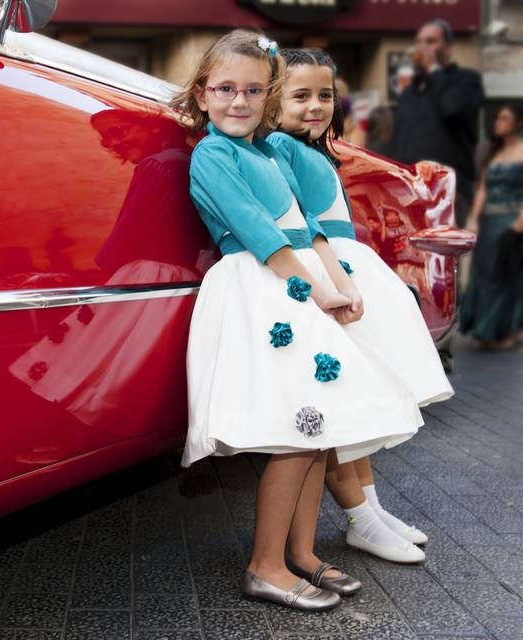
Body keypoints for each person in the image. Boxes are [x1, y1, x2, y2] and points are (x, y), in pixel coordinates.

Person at [170, 30, 424, 611]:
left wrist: (336, 284)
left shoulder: (265, 151)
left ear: (269, 95)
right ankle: (264, 566)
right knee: (296, 433)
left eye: (253, 90)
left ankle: (301, 555)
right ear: (202, 95)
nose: (239, 100)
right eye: (226, 89)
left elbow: (308, 225)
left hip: (295, 287)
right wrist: (317, 293)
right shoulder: (213, 154)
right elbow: (260, 235)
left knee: (320, 429)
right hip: (266, 288)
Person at [268, 48, 455, 563]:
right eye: (300, 95)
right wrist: (331, 283)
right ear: (272, 99)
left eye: (324, 95)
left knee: (358, 405)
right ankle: (359, 517)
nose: (315, 106)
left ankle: (370, 508)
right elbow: (302, 225)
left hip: (343, 268)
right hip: (324, 274)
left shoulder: (313, 149)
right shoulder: (279, 147)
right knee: (340, 409)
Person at [388, 18, 485, 227]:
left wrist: (434, 69)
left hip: (448, 192)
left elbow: (453, 109)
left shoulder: (466, 80)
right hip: (409, 193)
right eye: (420, 41)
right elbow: (399, 143)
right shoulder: (409, 93)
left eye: (431, 41)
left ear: (448, 48)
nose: (423, 47)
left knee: (442, 258)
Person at [461, 104, 523, 349]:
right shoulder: (493, 153)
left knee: (506, 276)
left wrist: (520, 221)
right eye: (497, 117)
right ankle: (485, 329)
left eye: (505, 118)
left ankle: (504, 331)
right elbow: (483, 189)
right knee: (483, 274)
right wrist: (474, 220)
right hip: (489, 223)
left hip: (511, 222)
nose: (498, 122)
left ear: (517, 122)